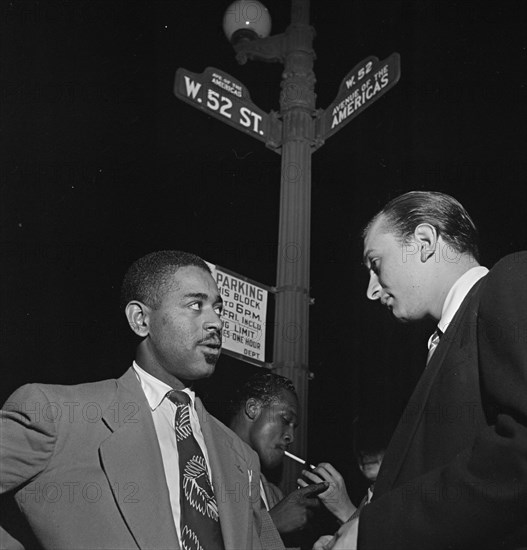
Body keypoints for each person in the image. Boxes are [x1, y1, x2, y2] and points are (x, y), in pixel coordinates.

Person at [0, 251, 285, 550]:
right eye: (195, 305)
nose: (215, 322)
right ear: (140, 320)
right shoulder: (56, 414)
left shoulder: (242, 457)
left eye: (218, 308)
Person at [316, 191, 527, 550]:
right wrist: (351, 533)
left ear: (425, 242)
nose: (370, 290)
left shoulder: (509, 281)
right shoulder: (447, 341)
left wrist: (371, 532)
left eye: (375, 263)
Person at [229, 372, 355, 544]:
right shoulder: (205, 465)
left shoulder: (273, 494)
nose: (291, 437)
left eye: (294, 428)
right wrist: (272, 523)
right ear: (253, 409)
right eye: (286, 420)